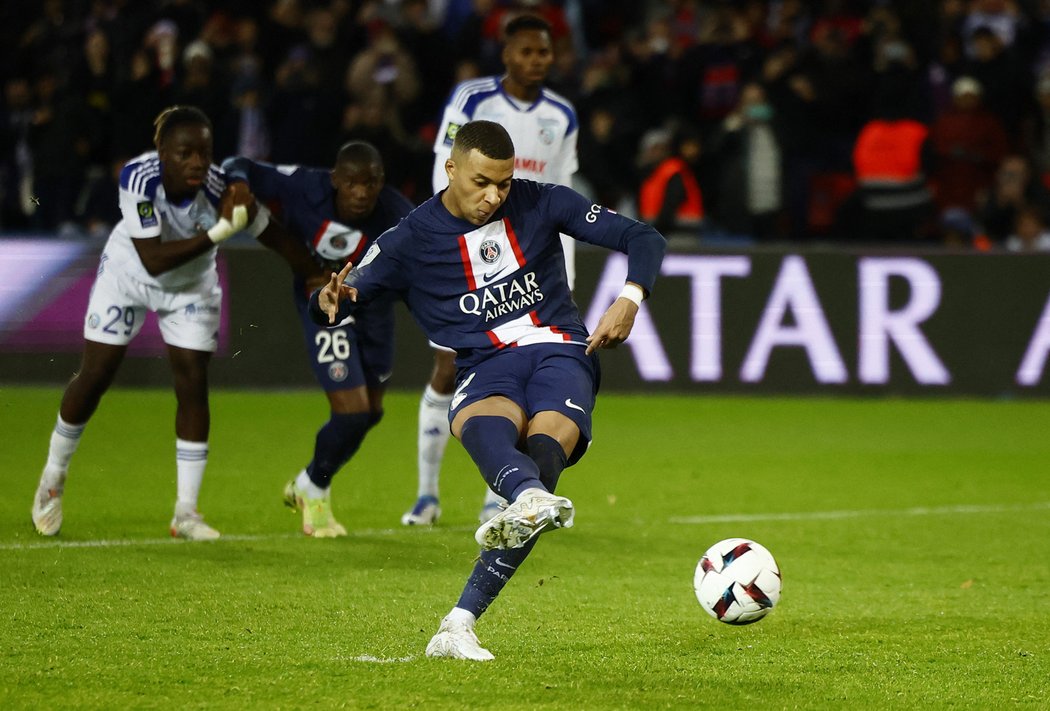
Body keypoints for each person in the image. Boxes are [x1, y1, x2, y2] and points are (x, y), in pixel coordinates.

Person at [311, 120, 666, 660]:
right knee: (492, 432)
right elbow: (349, 289)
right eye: (481, 182)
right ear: (451, 169)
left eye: (503, 182)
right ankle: (515, 518)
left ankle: (460, 619)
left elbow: (642, 236)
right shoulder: (410, 237)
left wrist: (630, 297)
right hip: (485, 364)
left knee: (545, 454)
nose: (494, 196)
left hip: (561, 350)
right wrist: (331, 299)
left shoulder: (542, 202)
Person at [30, 105, 263, 541]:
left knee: (192, 381)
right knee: (96, 374)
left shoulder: (219, 187)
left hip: (191, 286)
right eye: (184, 153)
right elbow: (152, 260)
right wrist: (221, 233)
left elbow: (252, 198)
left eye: (204, 152)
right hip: (130, 277)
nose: (196, 162)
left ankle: (186, 513)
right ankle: (52, 479)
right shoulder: (139, 177)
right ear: (160, 151)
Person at [405, 13, 580, 527]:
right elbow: (447, 177)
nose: (535, 60)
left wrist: (563, 271)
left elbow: (563, 196)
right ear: (506, 54)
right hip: (471, 260)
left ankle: (500, 495)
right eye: (526, 51)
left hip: (537, 271)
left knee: (530, 379)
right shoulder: (473, 101)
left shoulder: (563, 115)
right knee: (447, 369)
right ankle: (426, 494)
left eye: (543, 52)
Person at [221, 141, 415, 538]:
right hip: (324, 305)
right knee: (351, 412)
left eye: (371, 183)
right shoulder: (304, 186)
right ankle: (317, 492)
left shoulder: (399, 215)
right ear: (335, 181)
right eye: (352, 184)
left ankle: (308, 483)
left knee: (372, 412)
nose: (362, 192)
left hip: (374, 309)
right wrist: (238, 182)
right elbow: (238, 163)